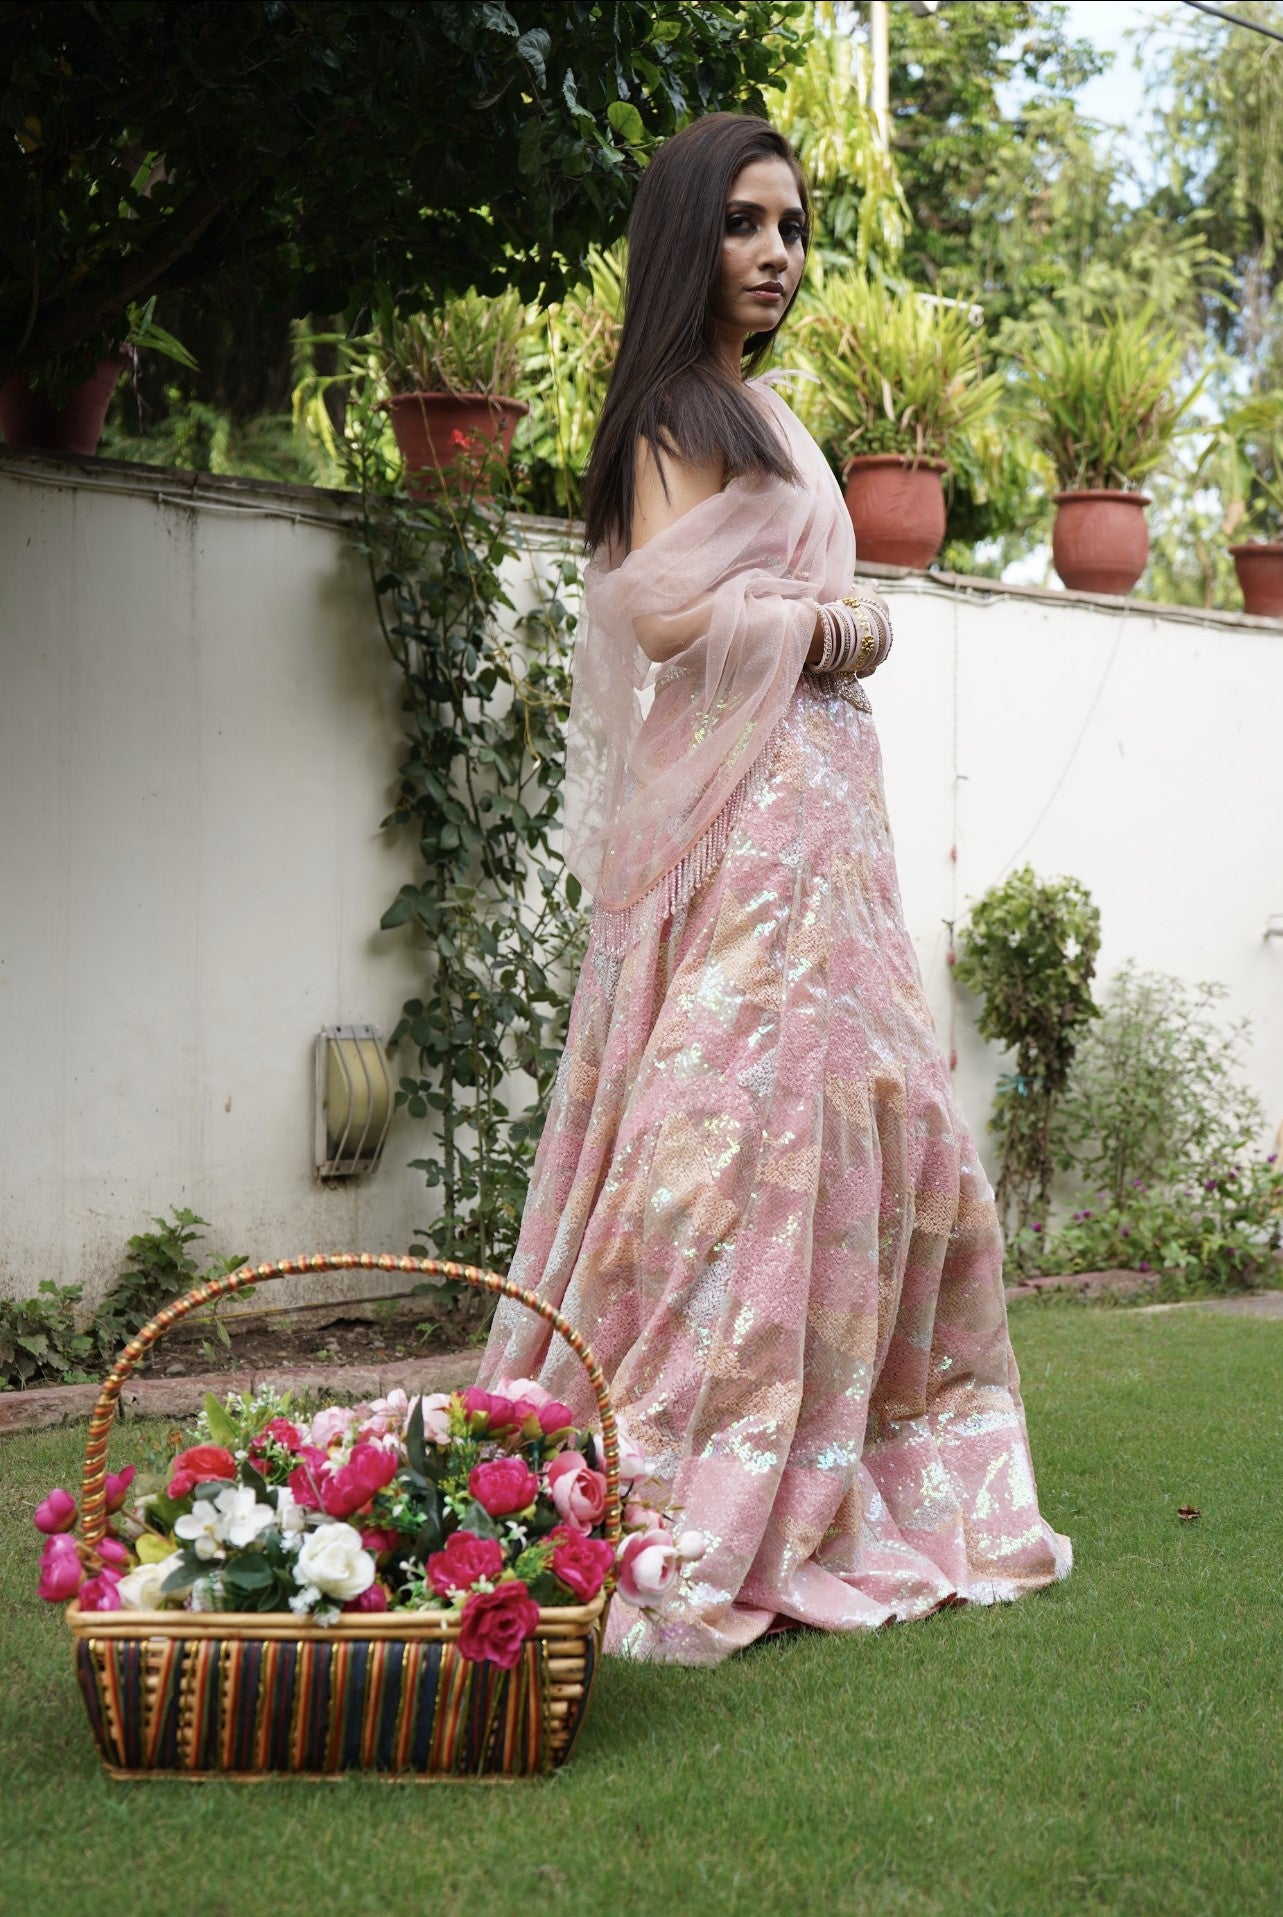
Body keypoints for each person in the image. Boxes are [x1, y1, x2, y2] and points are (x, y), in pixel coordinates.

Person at [477, 112, 1071, 1663]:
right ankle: (685, 1442)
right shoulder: (678, 415)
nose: (777, 256)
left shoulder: (771, 412)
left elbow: (758, 597)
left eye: (793, 229)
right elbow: (665, 611)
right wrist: (835, 625)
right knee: (720, 1122)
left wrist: (836, 625)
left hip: (829, 815)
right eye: (747, 225)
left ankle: (850, 1454)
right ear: (691, 237)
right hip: (747, 814)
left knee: (885, 1116)